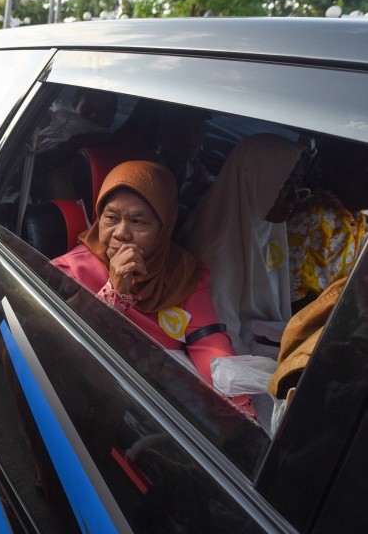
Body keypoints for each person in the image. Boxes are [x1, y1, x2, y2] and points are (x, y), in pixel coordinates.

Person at [52, 160, 253, 414]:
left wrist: (238, 406)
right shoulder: (70, 270)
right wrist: (114, 291)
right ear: (98, 217)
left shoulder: (182, 272)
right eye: (111, 218)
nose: (121, 233)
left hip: (156, 400)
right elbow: (57, 341)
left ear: (164, 227)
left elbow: (208, 343)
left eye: (138, 222)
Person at [183, 133, 303, 356]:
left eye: (296, 183)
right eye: (284, 186)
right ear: (256, 180)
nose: (294, 197)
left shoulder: (265, 226)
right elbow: (223, 342)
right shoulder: (217, 250)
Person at [287, 139, 368, 312]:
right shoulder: (315, 219)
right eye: (361, 173)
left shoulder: (355, 216)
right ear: (332, 174)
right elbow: (298, 297)